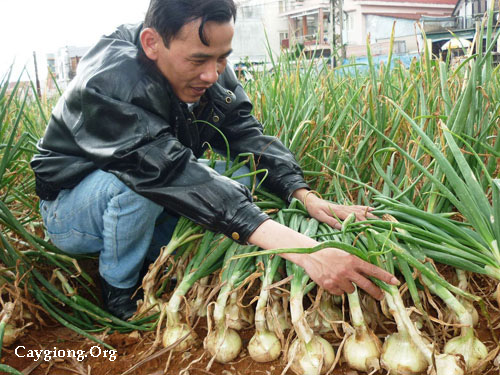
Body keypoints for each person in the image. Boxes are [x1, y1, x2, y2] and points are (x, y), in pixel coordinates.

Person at [31, 0, 398, 321]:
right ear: (152, 43)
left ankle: (160, 255)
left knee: (240, 174)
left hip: (154, 186)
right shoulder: (108, 83)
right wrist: (308, 252)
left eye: (222, 58)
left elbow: (246, 133)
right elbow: (167, 170)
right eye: (199, 60)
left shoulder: (209, 60)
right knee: (138, 186)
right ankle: (119, 290)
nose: (212, 73)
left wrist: (303, 195)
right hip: (73, 209)